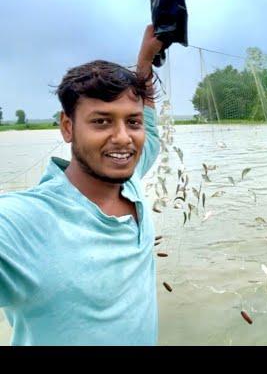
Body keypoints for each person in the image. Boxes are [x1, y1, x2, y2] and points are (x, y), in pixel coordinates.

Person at [0, 25, 165, 345]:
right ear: (67, 127)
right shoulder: (22, 224)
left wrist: (145, 60)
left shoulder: (128, 179)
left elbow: (152, 136)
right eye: (101, 121)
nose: (123, 138)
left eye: (132, 122)